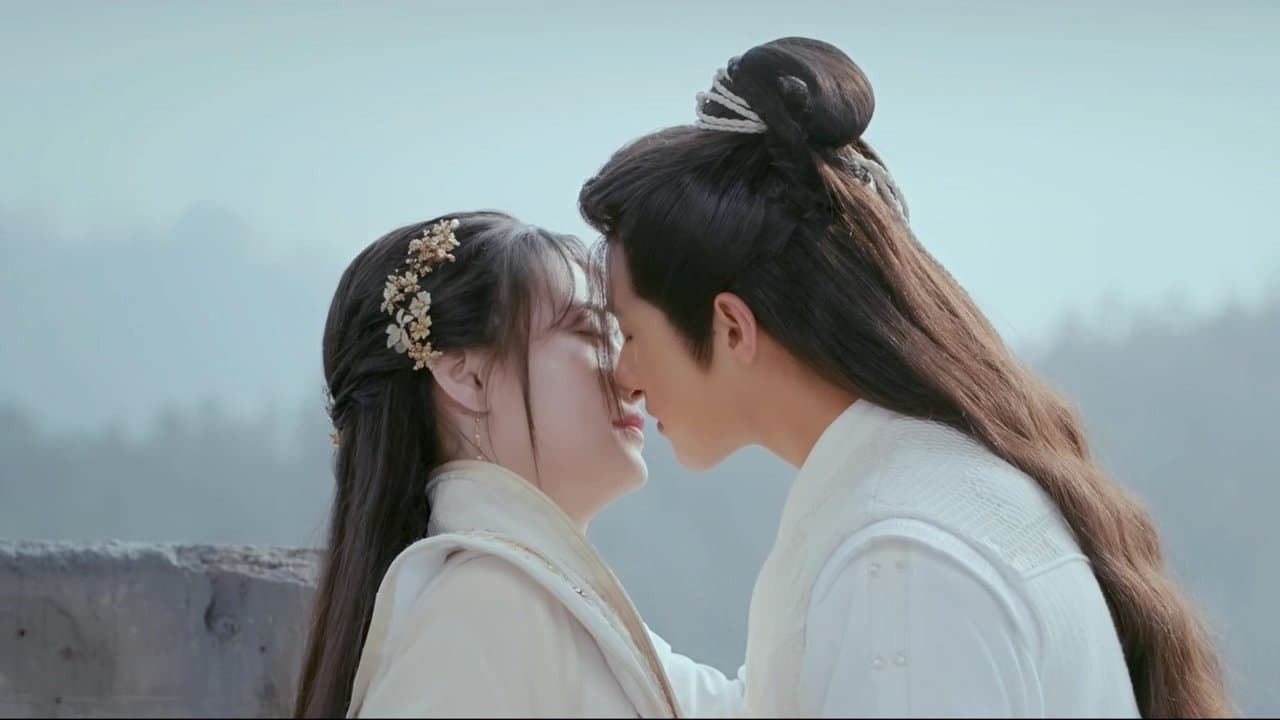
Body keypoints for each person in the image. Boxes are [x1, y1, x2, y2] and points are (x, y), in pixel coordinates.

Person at [580, 37, 1230, 717]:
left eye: (633, 334)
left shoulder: (900, 564)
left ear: (733, 327)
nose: (624, 376)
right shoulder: (921, 499)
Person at [293, 212, 680, 718]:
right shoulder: (486, 606)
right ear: (468, 377)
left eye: (620, 336)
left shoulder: (523, 601)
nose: (630, 374)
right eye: (589, 332)